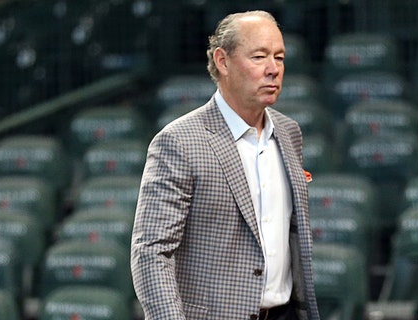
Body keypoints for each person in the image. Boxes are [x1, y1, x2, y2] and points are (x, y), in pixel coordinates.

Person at [130, 10, 320, 320]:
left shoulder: (289, 133)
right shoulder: (179, 142)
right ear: (223, 60)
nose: (273, 69)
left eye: (280, 57)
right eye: (259, 57)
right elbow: (150, 252)